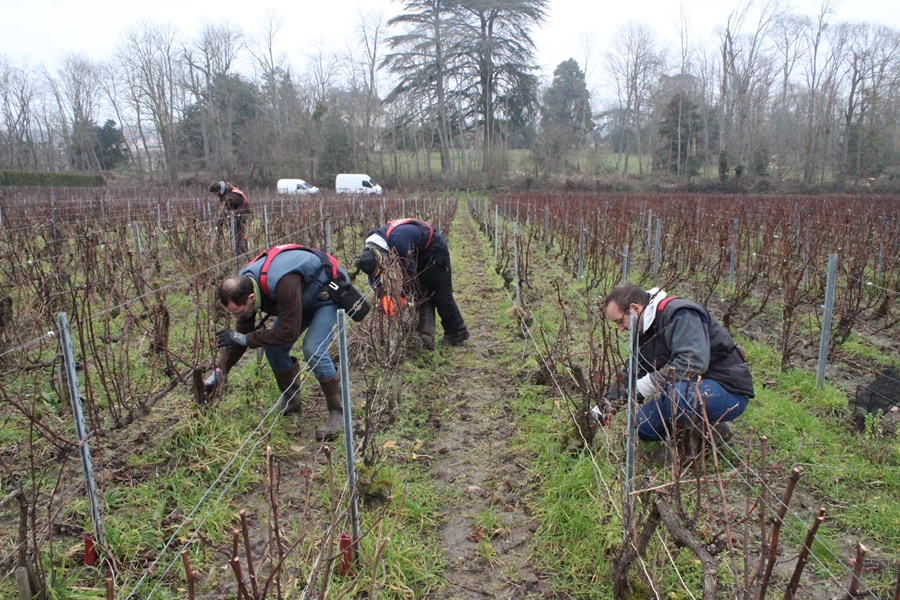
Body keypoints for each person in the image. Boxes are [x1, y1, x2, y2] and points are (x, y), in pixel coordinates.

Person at [204, 244, 348, 441]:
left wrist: (246, 339)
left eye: (238, 312)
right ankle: (291, 402)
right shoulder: (245, 285)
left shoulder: (283, 282)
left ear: (251, 298)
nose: (238, 317)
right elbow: (243, 333)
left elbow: (287, 332)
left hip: (325, 295)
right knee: (274, 347)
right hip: (299, 299)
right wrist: (220, 371)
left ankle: (338, 412)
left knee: (313, 348)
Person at [603, 283, 754, 443]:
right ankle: (714, 430)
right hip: (689, 389)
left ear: (635, 308)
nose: (620, 329)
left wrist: (648, 384)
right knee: (643, 425)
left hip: (726, 388)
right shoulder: (643, 328)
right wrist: (605, 407)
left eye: (620, 321)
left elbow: (693, 363)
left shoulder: (680, 315)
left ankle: (690, 448)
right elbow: (634, 371)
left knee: (678, 396)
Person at [355, 217, 468, 349]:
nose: (384, 269)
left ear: (381, 257)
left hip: (433, 248)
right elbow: (372, 273)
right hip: (416, 252)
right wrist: (382, 296)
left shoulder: (399, 241)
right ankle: (425, 336)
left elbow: (410, 275)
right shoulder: (371, 248)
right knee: (422, 294)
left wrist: (401, 297)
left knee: (441, 294)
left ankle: (457, 333)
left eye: (383, 266)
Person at [208, 181, 251, 254]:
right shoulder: (224, 192)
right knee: (234, 231)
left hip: (243, 211)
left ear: (218, 190)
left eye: (214, 193)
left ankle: (240, 250)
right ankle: (238, 249)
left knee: (237, 231)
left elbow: (225, 209)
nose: (215, 195)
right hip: (236, 212)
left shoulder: (229, 195)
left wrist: (218, 223)